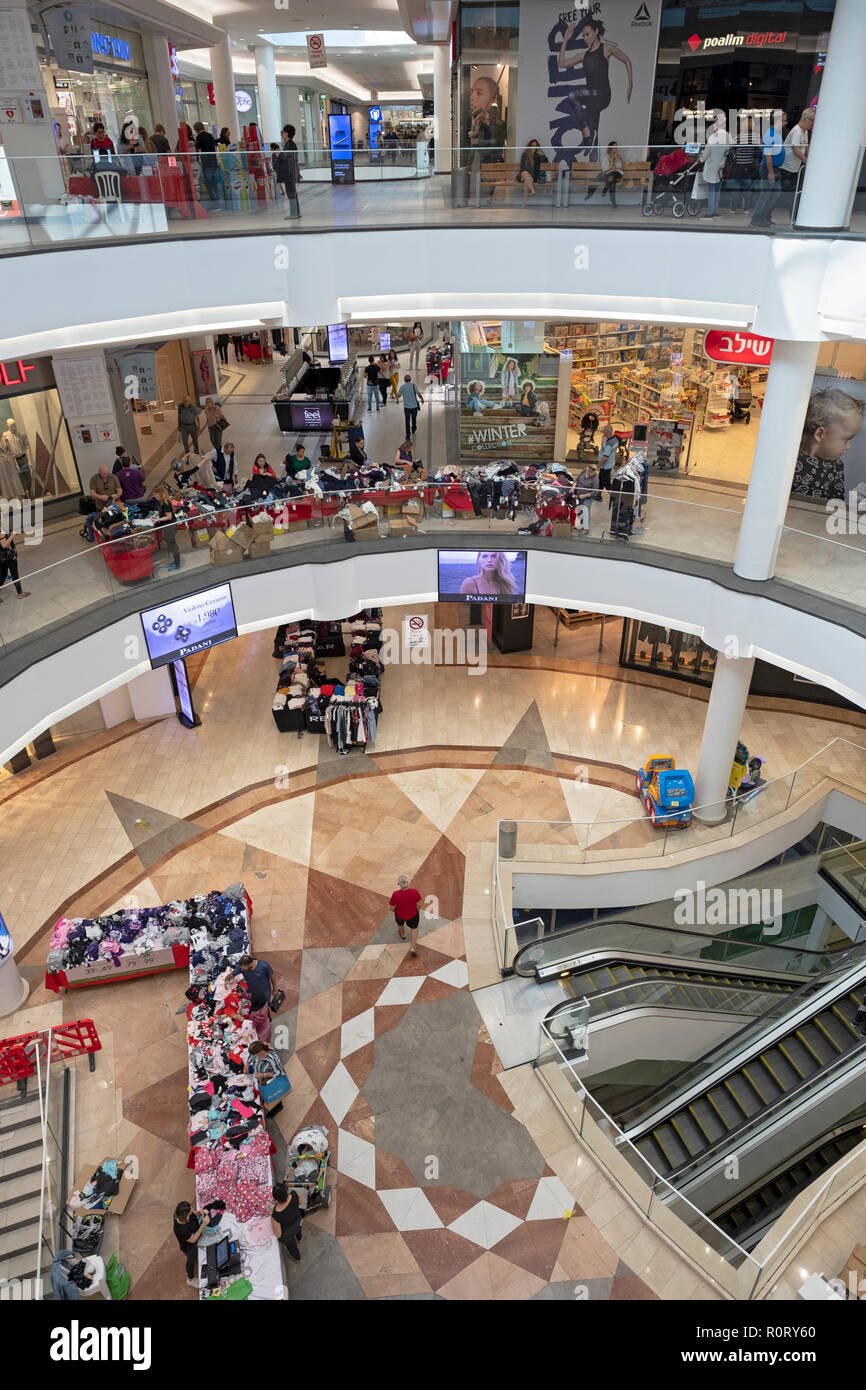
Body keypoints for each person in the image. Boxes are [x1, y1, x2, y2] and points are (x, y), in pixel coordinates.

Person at [558, 17, 633, 159]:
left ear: (596, 32)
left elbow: (626, 60)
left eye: (588, 34)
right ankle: (591, 141)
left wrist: (630, 85)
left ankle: (587, 133)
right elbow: (561, 64)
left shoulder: (606, 49)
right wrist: (566, 39)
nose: (585, 38)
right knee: (591, 119)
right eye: (583, 35)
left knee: (574, 95)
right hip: (592, 97)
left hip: (603, 95)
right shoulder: (584, 55)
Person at [791, 388, 865, 500]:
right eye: (846, 439)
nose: (848, 447)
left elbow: (836, 503)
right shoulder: (789, 460)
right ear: (820, 434)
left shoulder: (836, 467)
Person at [749, 111, 790, 229]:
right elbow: (767, 155)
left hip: (774, 168)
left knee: (775, 194)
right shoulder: (770, 134)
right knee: (766, 195)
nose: (786, 123)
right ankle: (757, 218)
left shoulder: (775, 133)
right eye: (784, 120)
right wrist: (771, 172)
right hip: (769, 169)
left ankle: (764, 216)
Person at [236, 952, 279, 1042]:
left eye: (243, 967)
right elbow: (251, 996)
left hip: (261, 1034)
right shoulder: (260, 1000)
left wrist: (242, 1019)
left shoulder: (260, 1014)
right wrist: (241, 994)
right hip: (259, 995)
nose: (242, 969)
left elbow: (252, 1024)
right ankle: (269, 1019)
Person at [780, 108, 814, 215]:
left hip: (794, 168)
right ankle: (793, 217)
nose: (813, 124)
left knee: (792, 195)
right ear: (806, 119)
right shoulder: (797, 131)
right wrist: (807, 161)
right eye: (812, 120)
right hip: (786, 169)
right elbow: (796, 149)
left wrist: (810, 158)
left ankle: (794, 216)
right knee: (786, 196)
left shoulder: (805, 132)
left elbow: (806, 146)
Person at [700, 115, 733, 219]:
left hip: (711, 167)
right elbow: (730, 149)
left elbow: (706, 154)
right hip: (721, 167)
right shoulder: (728, 136)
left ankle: (710, 212)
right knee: (717, 190)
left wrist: (700, 159)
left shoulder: (713, 137)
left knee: (712, 190)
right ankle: (715, 211)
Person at [249, 1042, 289, 1118]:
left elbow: (278, 1072)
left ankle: (278, 1107)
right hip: (263, 1080)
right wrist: (247, 1064)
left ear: (260, 1052)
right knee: (267, 1093)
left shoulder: (272, 1058)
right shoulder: (258, 1053)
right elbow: (251, 1056)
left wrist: (263, 1075)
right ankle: (268, 1100)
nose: (255, 1056)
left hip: (272, 1081)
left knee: (274, 1094)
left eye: (256, 1054)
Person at [173, 1201, 207, 1287]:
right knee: (191, 1261)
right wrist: (203, 1225)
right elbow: (193, 1239)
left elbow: (195, 1213)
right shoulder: (181, 1230)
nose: (193, 1210)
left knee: (195, 1257)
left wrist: (200, 1212)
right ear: (186, 1218)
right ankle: (190, 1279)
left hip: (193, 1238)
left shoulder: (180, 1215)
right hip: (189, 1248)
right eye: (190, 1213)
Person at [84, 464, 121, 541]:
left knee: (113, 522)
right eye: (104, 474)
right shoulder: (94, 479)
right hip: (100, 507)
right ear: (99, 472)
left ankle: (114, 536)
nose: (106, 475)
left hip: (113, 506)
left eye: (107, 473)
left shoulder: (114, 477)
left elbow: (120, 490)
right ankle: (104, 537)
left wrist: (116, 495)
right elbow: (92, 492)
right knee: (102, 523)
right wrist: (101, 497)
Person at [389, 874, 423, 957]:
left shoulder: (395, 894)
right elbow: (419, 904)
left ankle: (403, 934)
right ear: (407, 883)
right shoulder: (414, 892)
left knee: (400, 924)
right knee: (414, 929)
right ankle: (413, 948)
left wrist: (395, 911)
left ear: (398, 884)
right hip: (413, 915)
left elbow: (391, 908)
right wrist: (417, 911)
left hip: (400, 915)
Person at [584, 140, 624, 206]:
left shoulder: (619, 157)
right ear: (610, 148)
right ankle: (592, 193)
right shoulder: (606, 157)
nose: (616, 148)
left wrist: (616, 164)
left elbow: (621, 168)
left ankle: (606, 189)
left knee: (612, 176)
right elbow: (604, 168)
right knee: (610, 180)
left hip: (617, 174)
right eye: (614, 147)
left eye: (617, 147)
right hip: (609, 175)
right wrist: (611, 166)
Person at [153, 485, 182, 570]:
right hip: (167, 525)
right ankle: (177, 561)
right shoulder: (162, 501)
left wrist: (157, 520)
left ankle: (177, 564)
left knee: (172, 544)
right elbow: (161, 511)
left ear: (159, 493)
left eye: (155, 494)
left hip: (170, 525)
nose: (154, 496)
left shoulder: (166, 503)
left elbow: (168, 517)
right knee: (170, 542)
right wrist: (155, 515)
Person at [193, 121, 222, 207]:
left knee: (208, 182)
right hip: (213, 160)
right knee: (214, 181)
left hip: (206, 161)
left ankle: (214, 199)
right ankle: (217, 197)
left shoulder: (198, 138)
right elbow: (214, 146)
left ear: (196, 129)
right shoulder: (209, 135)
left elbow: (199, 150)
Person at [271, 1183, 302, 1262]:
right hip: (297, 1220)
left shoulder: (275, 1215)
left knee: (291, 1245)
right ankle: (299, 1238)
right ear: (286, 1190)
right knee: (298, 1228)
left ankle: (297, 1258)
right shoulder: (294, 1194)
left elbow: (278, 1235)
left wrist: (270, 1212)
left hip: (288, 1232)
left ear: (275, 1199)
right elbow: (301, 1202)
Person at [0, 530, 30, 599]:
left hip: (2, 557)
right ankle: (20, 593)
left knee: (2, 575)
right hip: (9, 557)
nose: (2, 519)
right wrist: (12, 535)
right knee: (15, 575)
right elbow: (4, 545)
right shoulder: (1, 531)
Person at [279, 125, 301, 218]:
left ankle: (294, 213)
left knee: (291, 192)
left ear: (287, 133)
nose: (282, 135)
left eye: (283, 132)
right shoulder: (290, 144)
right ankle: (295, 212)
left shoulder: (289, 145)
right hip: (290, 172)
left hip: (289, 172)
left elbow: (287, 159)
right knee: (291, 192)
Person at [516, 139, 544, 206]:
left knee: (527, 181)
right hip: (522, 175)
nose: (534, 146)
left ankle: (524, 202)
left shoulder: (537, 156)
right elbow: (522, 167)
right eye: (533, 145)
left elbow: (545, 161)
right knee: (525, 173)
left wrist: (542, 154)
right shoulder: (525, 154)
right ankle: (532, 190)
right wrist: (528, 174)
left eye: (536, 145)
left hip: (531, 176)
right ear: (530, 146)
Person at [574, 462, 600, 532]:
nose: (588, 475)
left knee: (586, 511)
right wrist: (573, 487)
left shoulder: (595, 479)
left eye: (590, 474)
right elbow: (577, 479)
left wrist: (584, 495)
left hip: (588, 498)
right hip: (578, 495)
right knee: (579, 510)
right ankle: (581, 525)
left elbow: (595, 491)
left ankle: (586, 528)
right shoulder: (584, 471)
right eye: (588, 472)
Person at [597, 425, 618, 490]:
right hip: (609, 464)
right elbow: (603, 446)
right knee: (601, 479)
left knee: (606, 482)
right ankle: (598, 494)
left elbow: (605, 457)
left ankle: (613, 497)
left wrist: (599, 465)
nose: (602, 432)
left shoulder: (609, 444)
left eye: (603, 431)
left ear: (606, 433)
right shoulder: (615, 439)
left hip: (605, 466)